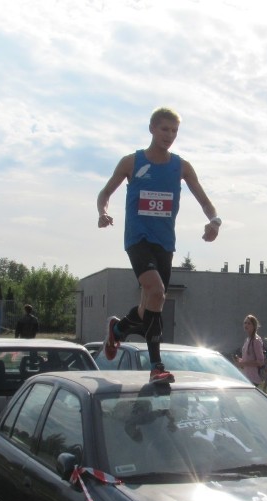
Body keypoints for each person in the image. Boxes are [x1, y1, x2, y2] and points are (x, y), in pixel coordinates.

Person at [97, 107, 221, 384]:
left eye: (174, 131)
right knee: (157, 290)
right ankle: (156, 367)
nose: (169, 135)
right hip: (138, 239)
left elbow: (204, 200)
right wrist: (103, 212)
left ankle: (117, 330)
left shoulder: (182, 167)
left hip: (165, 244)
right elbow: (105, 192)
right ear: (152, 128)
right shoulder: (132, 162)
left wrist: (214, 221)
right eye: (165, 129)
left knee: (150, 305)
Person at [234, 315, 265, 387]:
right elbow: (249, 358)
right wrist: (240, 360)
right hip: (246, 376)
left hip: (253, 378)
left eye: (249, 323)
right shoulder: (247, 339)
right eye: (245, 323)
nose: (246, 325)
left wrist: (243, 363)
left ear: (254, 326)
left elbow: (260, 362)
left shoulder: (256, 340)